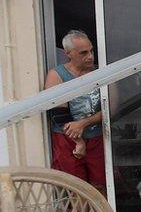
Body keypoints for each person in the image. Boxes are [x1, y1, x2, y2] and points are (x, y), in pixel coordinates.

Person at [45, 30, 105, 196]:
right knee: (76, 189)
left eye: (91, 51)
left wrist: (84, 123)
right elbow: (59, 114)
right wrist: (79, 141)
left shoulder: (101, 73)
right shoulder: (57, 75)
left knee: (100, 184)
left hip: (97, 137)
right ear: (68, 53)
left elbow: (111, 109)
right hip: (66, 139)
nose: (90, 56)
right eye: (83, 53)